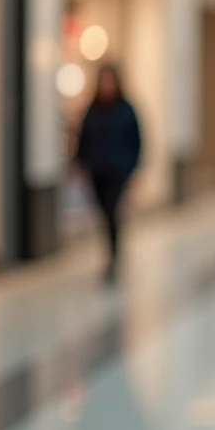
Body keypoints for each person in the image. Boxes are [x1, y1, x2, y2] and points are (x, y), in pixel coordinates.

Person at [76, 64, 141, 284]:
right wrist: (79, 162)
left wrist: (134, 168)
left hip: (118, 171)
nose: (106, 85)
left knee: (112, 211)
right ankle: (111, 249)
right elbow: (83, 139)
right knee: (104, 214)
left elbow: (136, 141)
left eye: (109, 81)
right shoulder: (92, 110)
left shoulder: (126, 110)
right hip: (97, 171)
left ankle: (113, 255)